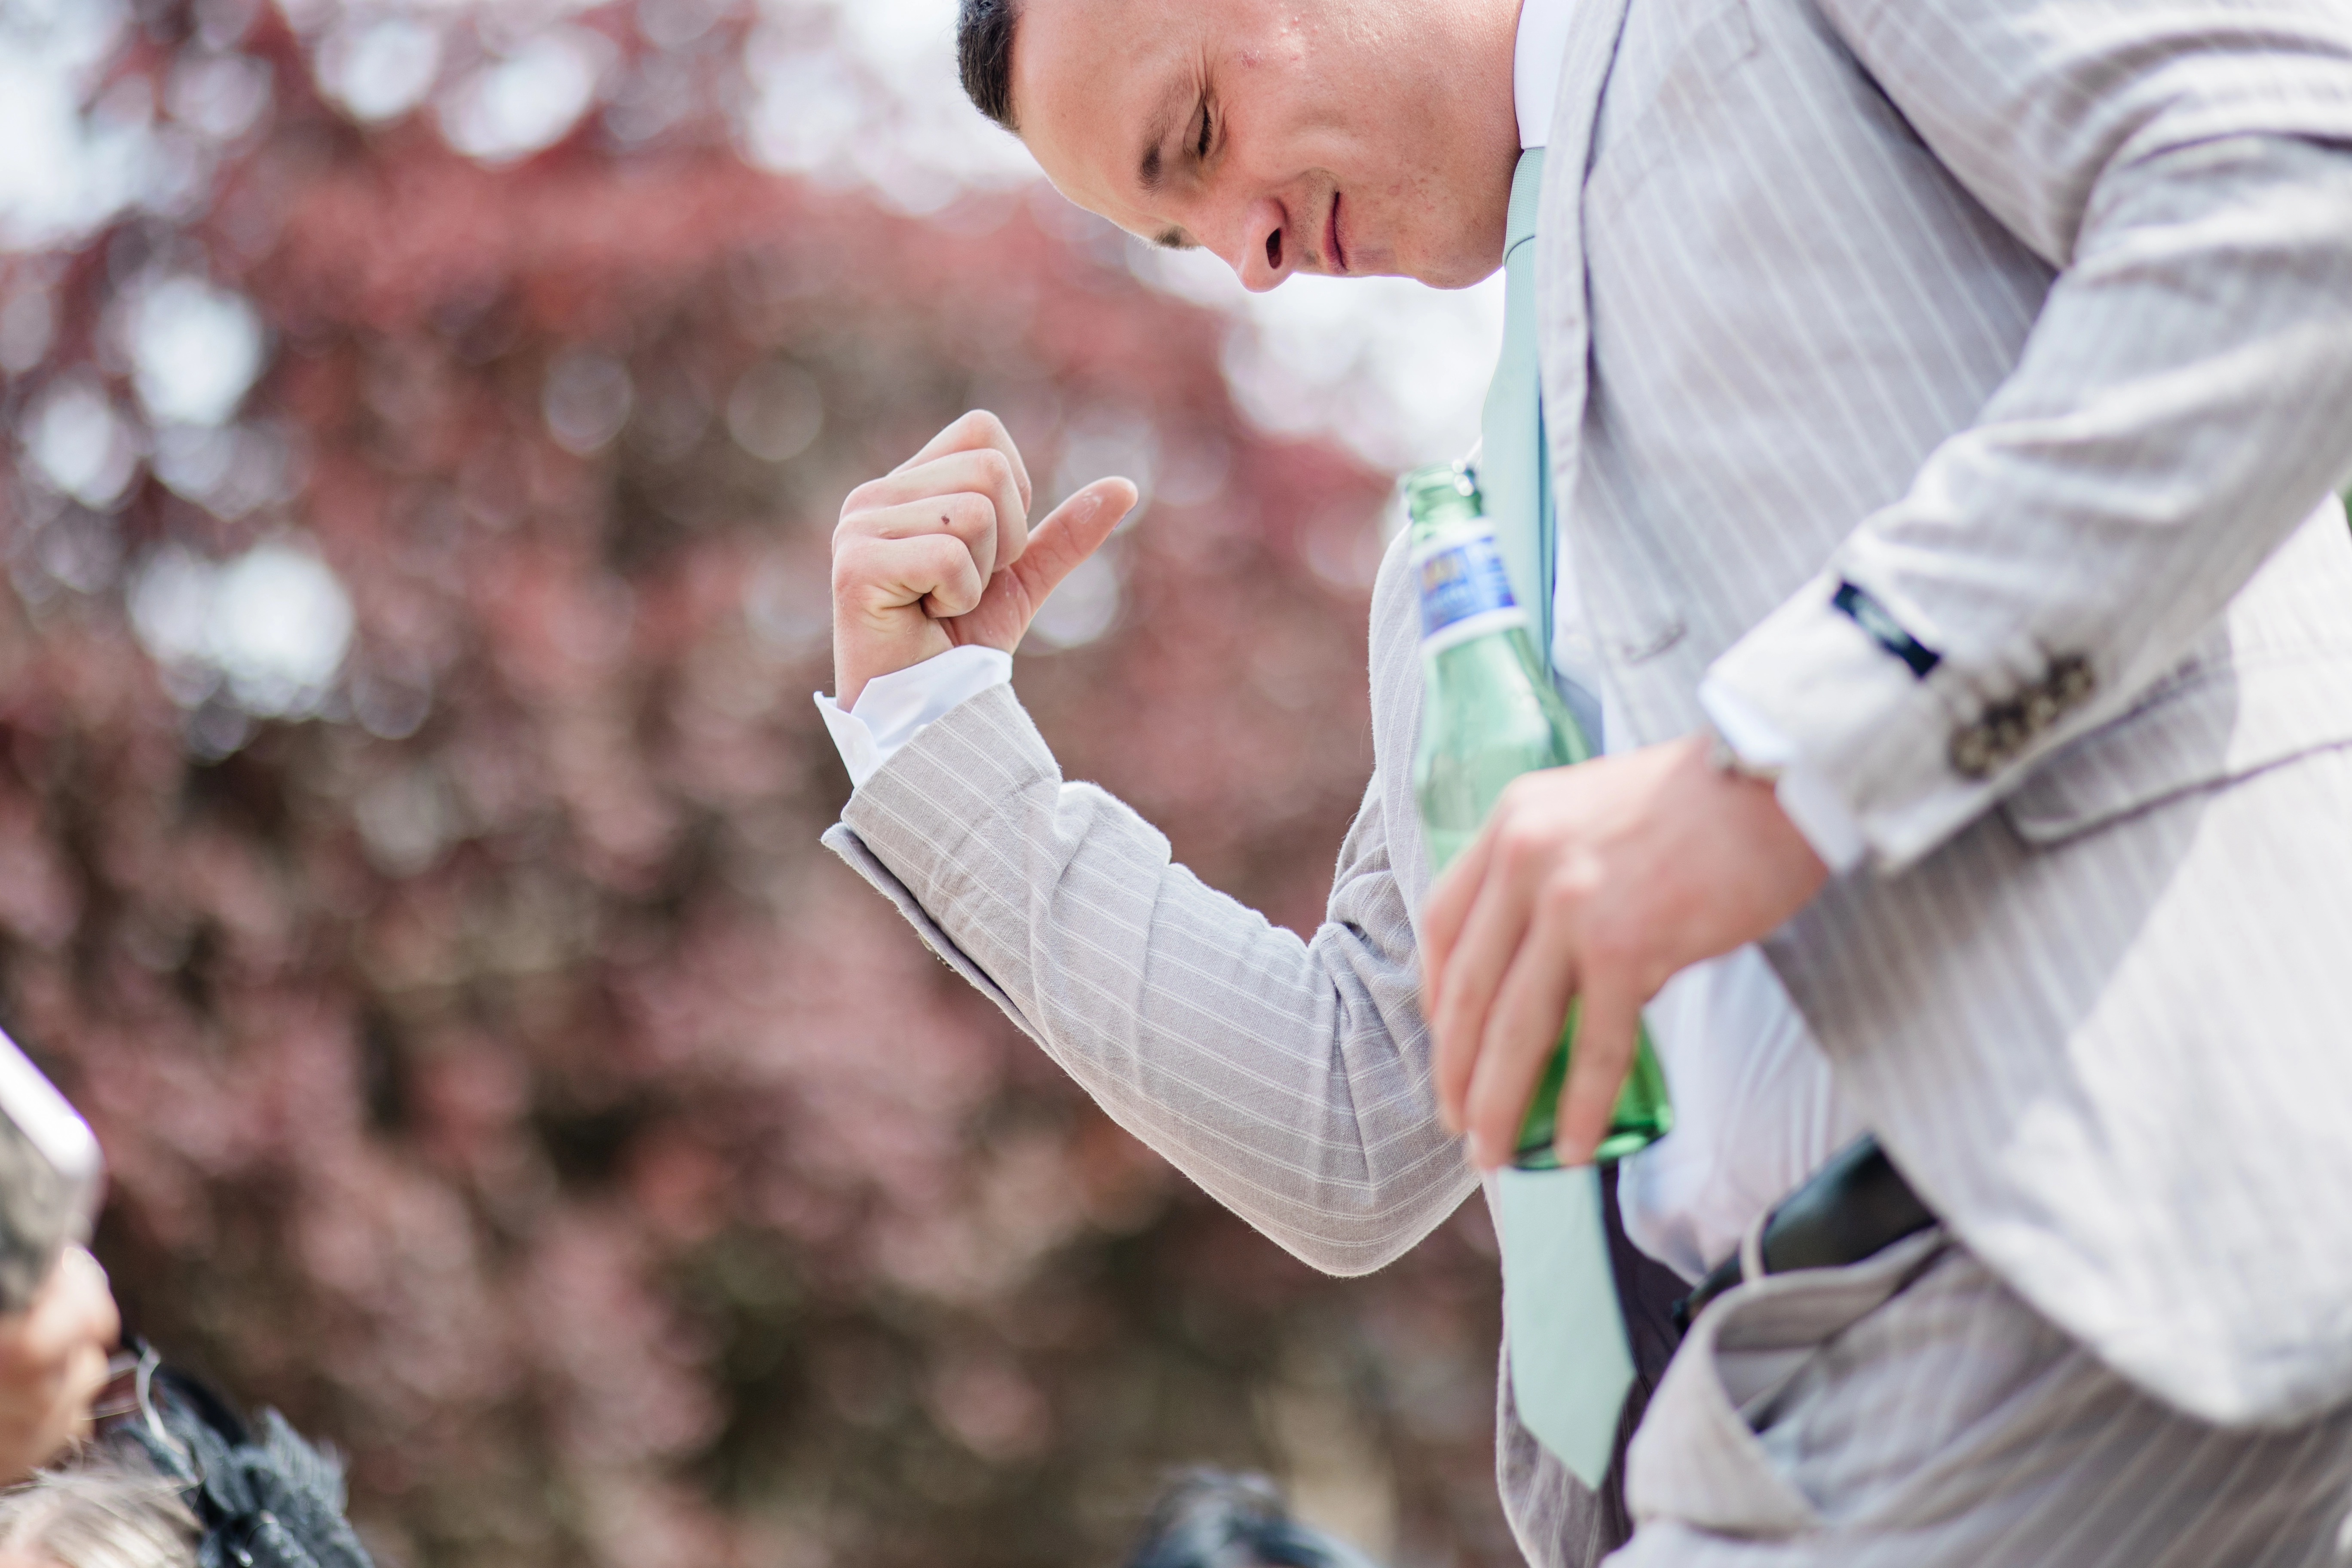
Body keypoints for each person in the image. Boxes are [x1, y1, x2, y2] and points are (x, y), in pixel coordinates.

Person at [817, 0, 2352, 1563]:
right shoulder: (1460, 554)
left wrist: (1778, 776)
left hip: (2093, 1244)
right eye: (1179, 230)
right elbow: (1355, 1117)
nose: (1249, 257)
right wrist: (934, 725)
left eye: (1203, 139)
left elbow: (2287, 182)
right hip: (1728, 1435)